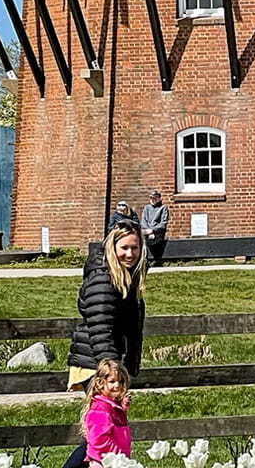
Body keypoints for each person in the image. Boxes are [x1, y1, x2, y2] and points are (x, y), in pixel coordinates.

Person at [68, 221, 147, 394]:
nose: (130, 254)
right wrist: (111, 372)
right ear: (112, 247)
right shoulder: (103, 278)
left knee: (113, 419)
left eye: (135, 248)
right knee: (104, 419)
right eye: (124, 248)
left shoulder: (127, 277)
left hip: (110, 362)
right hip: (97, 364)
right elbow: (100, 328)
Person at [62, 359, 133, 468]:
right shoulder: (100, 409)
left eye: (121, 381)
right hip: (104, 462)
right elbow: (98, 439)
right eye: (112, 381)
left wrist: (122, 407)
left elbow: (115, 427)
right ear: (101, 383)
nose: (117, 385)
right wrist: (116, 454)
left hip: (114, 461)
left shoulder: (111, 406)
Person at [140, 191, 169, 267]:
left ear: (159, 198)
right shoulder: (147, 208)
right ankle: (144, 260)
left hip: (158, 232)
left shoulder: (163, 208)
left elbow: (163, 223)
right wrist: (148, 231)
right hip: (146, 231)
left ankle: (157, 261)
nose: (153, 200)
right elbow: (143, 221)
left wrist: (153, 230)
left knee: (154, 241)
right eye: (151, 198)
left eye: (155, 198)